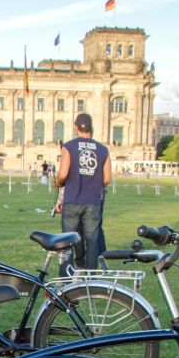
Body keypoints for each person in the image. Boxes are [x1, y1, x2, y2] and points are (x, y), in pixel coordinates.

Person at [55, 113, 110, 272]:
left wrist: (58, 181)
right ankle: (91, 276)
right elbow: (107, 178)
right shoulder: (102, 149)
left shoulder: (69, 147)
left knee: (67, 240)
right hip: (93, 201)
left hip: (72, 199)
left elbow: (63, 174)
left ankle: (66, 276)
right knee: (92, 240)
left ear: (75, 127)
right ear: (91, 127)